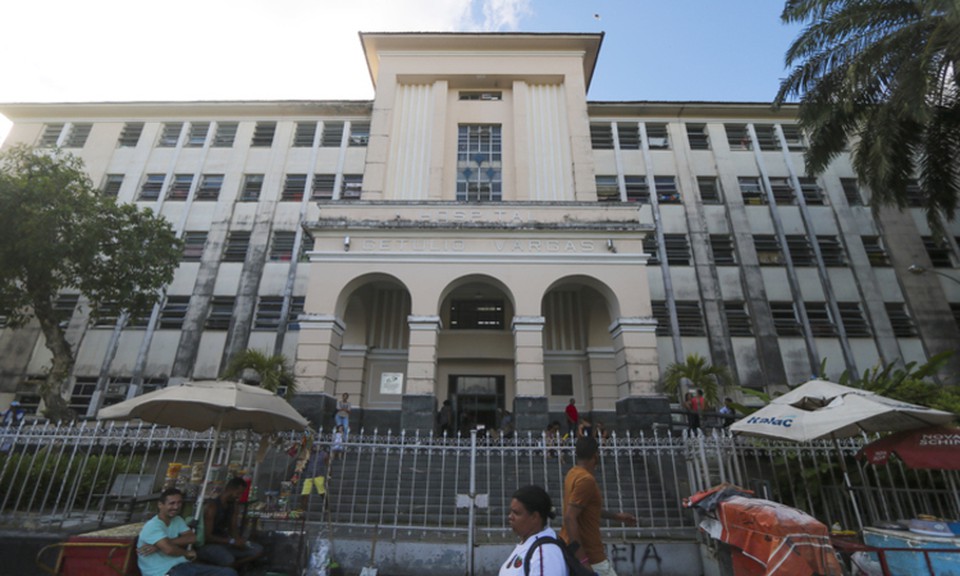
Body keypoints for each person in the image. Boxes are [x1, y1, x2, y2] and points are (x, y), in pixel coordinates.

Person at [560, 437, 636, 576]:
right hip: (591, 556)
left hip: (581, 553)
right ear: (596, 455)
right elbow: (570, 517)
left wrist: (616, 516)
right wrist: (583, 561)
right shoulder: (586, 480)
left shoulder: (572, 473)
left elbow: (585, 508)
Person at [137, 488, 237, 576]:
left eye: (179, 503)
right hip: (164, 572)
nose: (176, 507)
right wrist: (187, 553)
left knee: (229, 573)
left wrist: (160, 545)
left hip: (183, 566)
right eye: (172, 503)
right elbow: (169, 550)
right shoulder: (153, 526)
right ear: (160, 505)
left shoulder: (177, 519)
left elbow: (192, 538)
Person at [498, 485, 568, 576]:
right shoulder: (529, 543)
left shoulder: (545, 553)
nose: (510, 517)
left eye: (516, 513)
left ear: (534, 517)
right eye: (510, 512)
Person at [197, 477, 264, 569]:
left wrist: (239, 541)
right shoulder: (212, 507)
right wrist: (232, 541)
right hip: (209, 545)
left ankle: (233, 567)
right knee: (228, 559)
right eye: (238, 493)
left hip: (225, 542)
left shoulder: (232, 505)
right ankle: (230, 567)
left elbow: (233, 528)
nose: (239, 497)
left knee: (257, 550)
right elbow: (207, 537)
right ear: (230, 489)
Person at [300, 443, 329, 510]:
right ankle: (303, 507)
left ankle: (326, 505)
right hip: (309, 475)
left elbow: (328, 464)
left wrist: (329, 475)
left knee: (321, 492)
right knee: (304, 493)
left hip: (319, 475)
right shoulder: (309, 454)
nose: (314, 448)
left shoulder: (323, 454)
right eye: (313, 447)